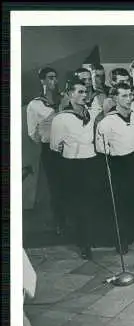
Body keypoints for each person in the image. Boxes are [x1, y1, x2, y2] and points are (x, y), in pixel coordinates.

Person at [50, 77, 100, 259]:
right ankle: (83, 243)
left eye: (85, 91)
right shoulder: (61, 118)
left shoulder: (91, 113)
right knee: (79, 205)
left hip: (91, 162)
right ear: (70, 94)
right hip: (73, 165)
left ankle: (91, 238)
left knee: (92, 203)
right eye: (79, 92)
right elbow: (55, 145)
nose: (84, 95)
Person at [95, 82, 134, 254]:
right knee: (119, 204)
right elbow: (100, 147)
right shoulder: (107, 121)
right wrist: (114, 156)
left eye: (130, 94)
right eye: (124, 95)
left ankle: (131, 233)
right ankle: (120, 240)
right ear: (115, 98)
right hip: (118, 164)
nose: (129, 98)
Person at [26, 67, 67, 235]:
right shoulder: (35, 105)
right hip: (50, 150)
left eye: (56, 77)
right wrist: (46, 139)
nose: (54, 81)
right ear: (42, 80)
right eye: (50, 78)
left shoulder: (64, 98)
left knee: (68, 185)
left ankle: (69, 220)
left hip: (69, 149)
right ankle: (59, 222)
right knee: (54, 186)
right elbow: (32, 132)